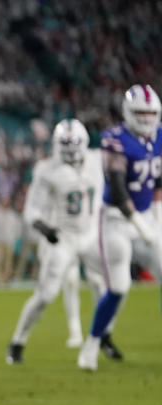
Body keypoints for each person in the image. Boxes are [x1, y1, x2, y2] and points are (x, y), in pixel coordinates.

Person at [6, 119, 107, 364]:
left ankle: (102, 337)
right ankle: (18, 340)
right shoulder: (47, 170)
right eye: (65, 145)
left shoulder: (97, 160)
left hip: (91, 234)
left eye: (74, 145)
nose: (70, 151)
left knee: (110, 286)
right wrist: (46, 229)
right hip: (63, 237)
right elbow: (31, 212)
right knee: (46, 295)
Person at [78, 85, 162, 371]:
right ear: (128, 112)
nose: (147, 118)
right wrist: (138, 222)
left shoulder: (160, 135)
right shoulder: (115, 139)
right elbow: (116, 185)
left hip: (147, 215)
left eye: (150, 113)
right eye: (140, 113)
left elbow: (158, 179)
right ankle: (91, 344)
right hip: (115, 219)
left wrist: (157, 213)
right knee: (119, 287)